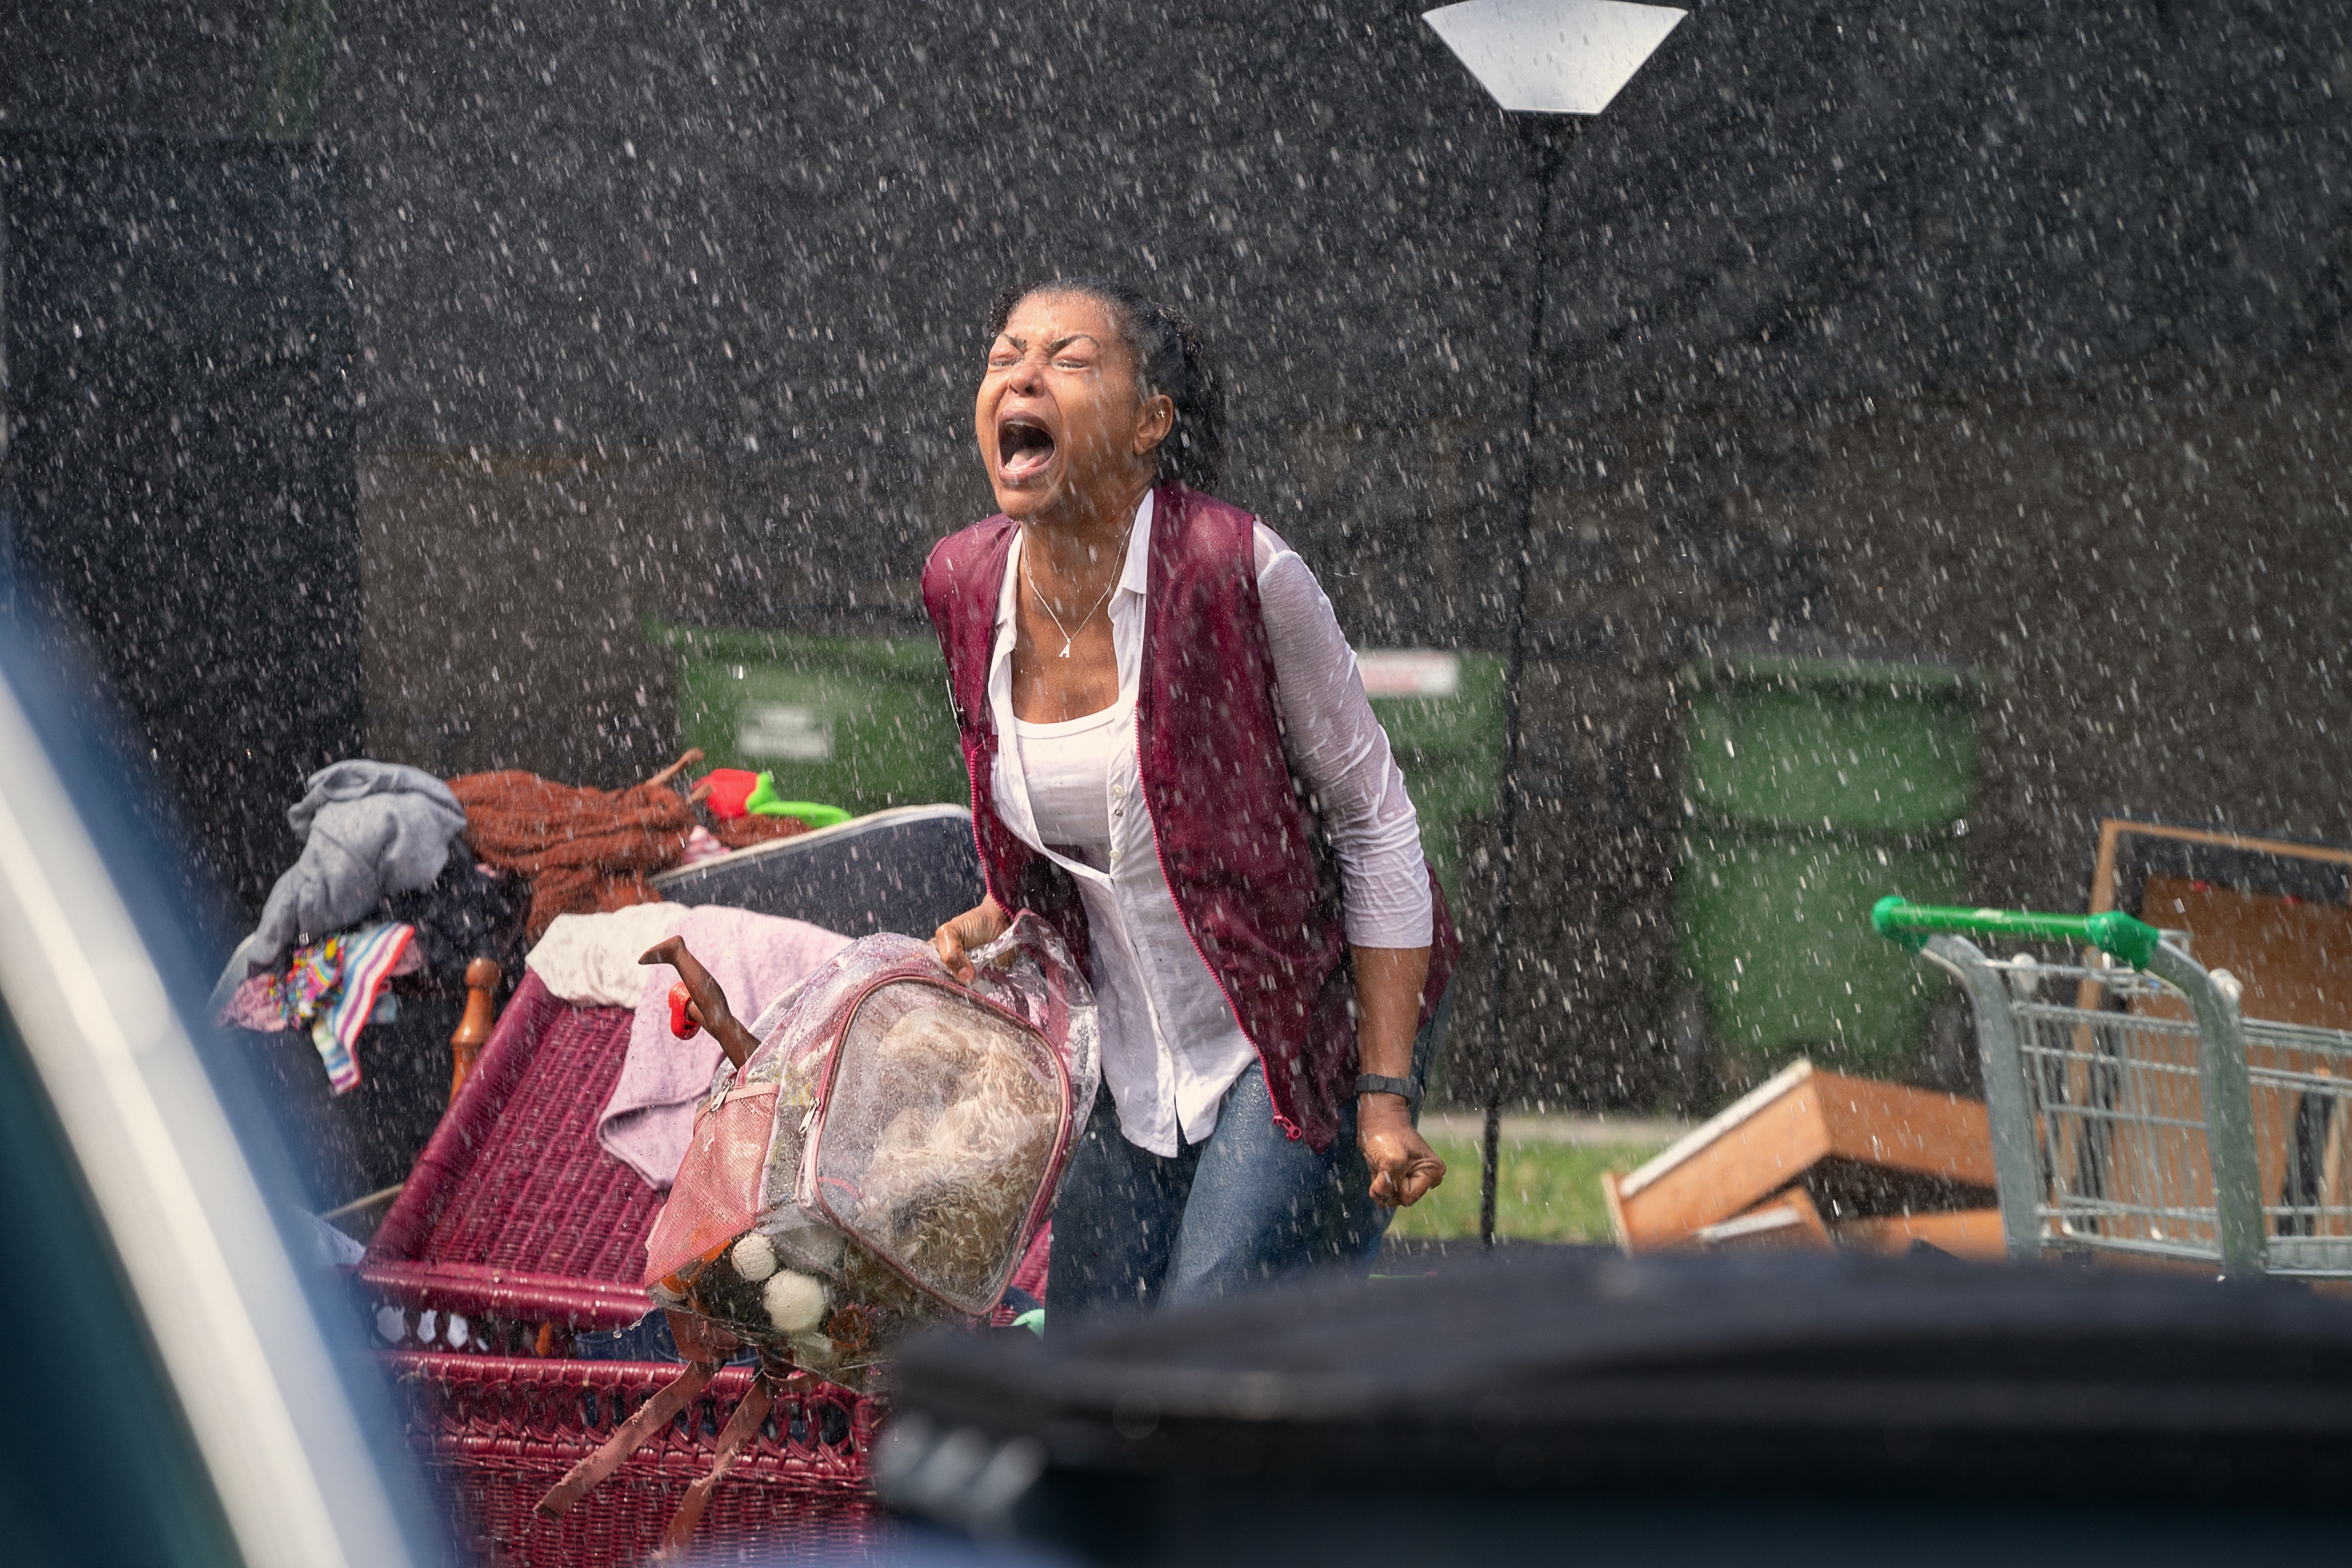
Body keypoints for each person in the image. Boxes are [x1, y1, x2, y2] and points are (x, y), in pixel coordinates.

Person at [924, 277, 1460, 1316]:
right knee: (1091, 1345)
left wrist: (1384, 1096)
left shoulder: (1233, 568)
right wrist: (1005, 910)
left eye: (1069, 361)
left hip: (1296, 1029)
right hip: (1131, 1060)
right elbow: (1080, 831)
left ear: (1148, 424)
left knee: (1209, 1324)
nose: (1022, 375)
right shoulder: (961, 584)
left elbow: (1377, 823)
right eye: (1004, 355)